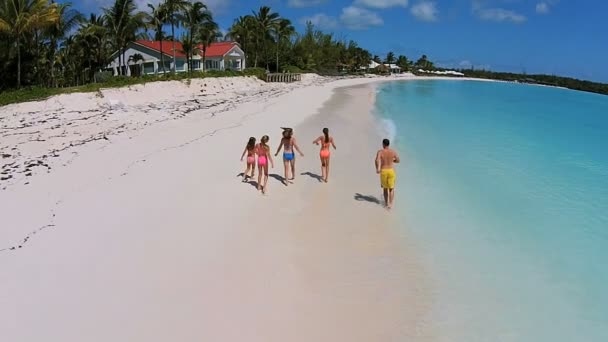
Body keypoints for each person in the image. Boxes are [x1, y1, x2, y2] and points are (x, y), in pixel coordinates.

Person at [375, 138, 400, 210]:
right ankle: (390, 205)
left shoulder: (380, 152)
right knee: (391, 189)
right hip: (391, 171)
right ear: (388, 144)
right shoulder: (393, 152)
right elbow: (398, 160)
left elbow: (376, 160)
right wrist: (393, 161)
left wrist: (377, 169)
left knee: (385, 189)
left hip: (383, 171)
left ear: (383, 144)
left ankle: (386, 204)